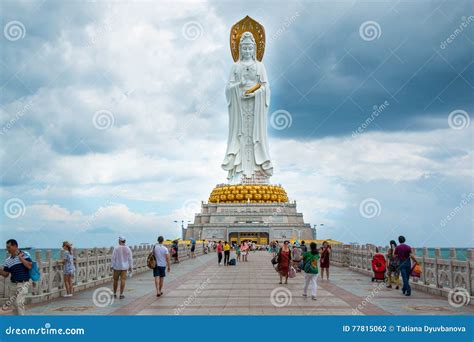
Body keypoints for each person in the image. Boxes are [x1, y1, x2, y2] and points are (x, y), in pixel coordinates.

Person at [0, 239, 32, 315]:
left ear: (15, 246)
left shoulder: (24, 254)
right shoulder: (8, 260)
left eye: (9, 247)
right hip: (13, 284)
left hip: (23, 283)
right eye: (7, 247)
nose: (7, 249)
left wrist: (20, 258)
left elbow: (30, 266)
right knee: (14, 305)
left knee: (19, 303)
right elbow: (5, 274)